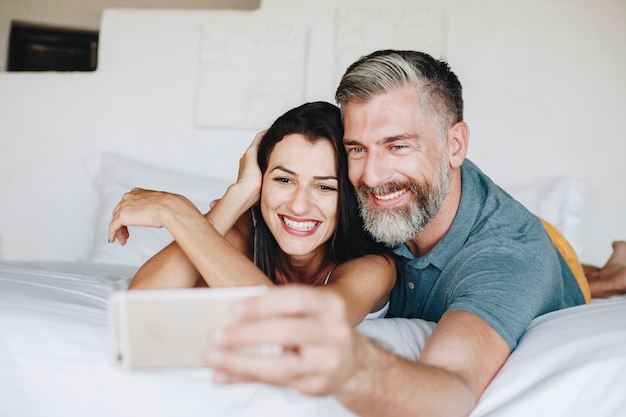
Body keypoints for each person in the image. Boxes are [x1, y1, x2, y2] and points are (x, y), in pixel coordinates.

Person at [203, 50, 626, 417]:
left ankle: (607, 275)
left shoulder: (508, 259)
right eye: (357, 148)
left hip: (541, 248)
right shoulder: (371, 195)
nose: (371, 175)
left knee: (576, 275)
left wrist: (356, 367)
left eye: (398, 146)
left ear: (455, 145)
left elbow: (452, 387)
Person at [108, 101, 396, 326]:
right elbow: (141, 304)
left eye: (324, 187)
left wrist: (176, 211)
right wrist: (236, 196)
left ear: (348, 195)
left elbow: (294, 326)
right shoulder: (244, 234)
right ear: (261, 182)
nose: (298, 206)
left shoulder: (374, 268)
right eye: (284, 180)